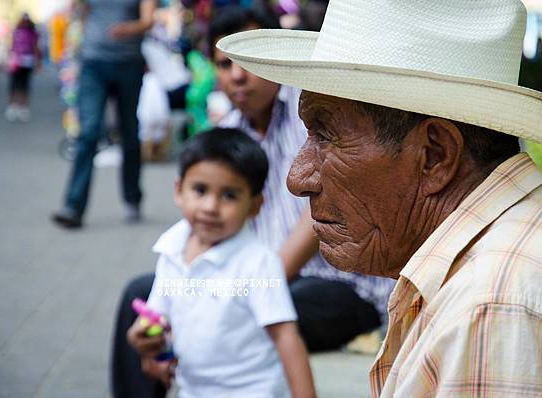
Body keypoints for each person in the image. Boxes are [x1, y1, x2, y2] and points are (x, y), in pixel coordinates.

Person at [218, 0, 542, 396]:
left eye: (327, 135)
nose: (297, 178)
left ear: (435, 155)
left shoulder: (489, 306)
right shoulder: (502, 261)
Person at [111, 5, 394, 398]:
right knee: (141, 296)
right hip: (247, 279)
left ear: (275, 58)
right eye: (224, 64)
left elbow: (320, 212)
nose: (237, 76)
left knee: (245, 308)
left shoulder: (314, 115)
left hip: (336, 285)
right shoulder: (225, 134)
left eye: (248, 62)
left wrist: (251, 285)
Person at [127, 128, 316, 398]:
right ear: (179, 191)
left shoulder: (257, 263)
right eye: (200, 190)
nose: (210, 207)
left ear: (254, 206)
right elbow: (158, 316)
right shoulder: (171, 249)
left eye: (229, 195)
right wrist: (145, 341)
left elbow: (286, 338)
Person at [52, 0, 158, 228]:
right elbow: (82, 12)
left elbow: (149, 20)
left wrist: (127, 29)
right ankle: (73, 206)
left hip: (128, 63)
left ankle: (132, 198)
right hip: (93, 63)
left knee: (129, 132)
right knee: (87, 133)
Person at [5, 13, 40, 122]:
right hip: (16, 62)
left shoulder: (33, 33)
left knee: (25, 85)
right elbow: (11, 46)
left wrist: (37, 61)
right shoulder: (16, 32)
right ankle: (13, 106)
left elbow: (35, 47)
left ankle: (24, 107)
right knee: (14, 84)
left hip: (27, 61)